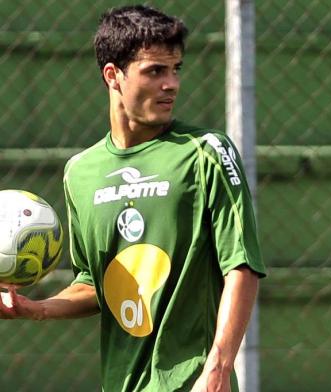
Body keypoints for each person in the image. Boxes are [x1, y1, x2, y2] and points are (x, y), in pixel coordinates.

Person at [0, 5, 266, 391]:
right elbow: (94, 283)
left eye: (176, 69)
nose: (171, 83)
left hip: (194, 382)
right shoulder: (81, 172)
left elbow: (241, 265)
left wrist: (219, 367)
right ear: (113, 75)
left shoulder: (205, 151)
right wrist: (34, 309)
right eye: (155, 71)